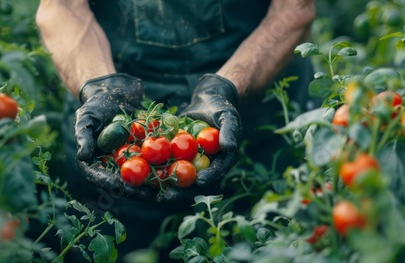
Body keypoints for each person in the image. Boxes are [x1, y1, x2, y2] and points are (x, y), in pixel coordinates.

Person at [35, 0, 316, 261]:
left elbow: (293, 8)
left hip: (254, 113)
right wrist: (101, 88)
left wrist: (228, 87)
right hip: (112, 105)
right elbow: (62, 7)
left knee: (255, 243)